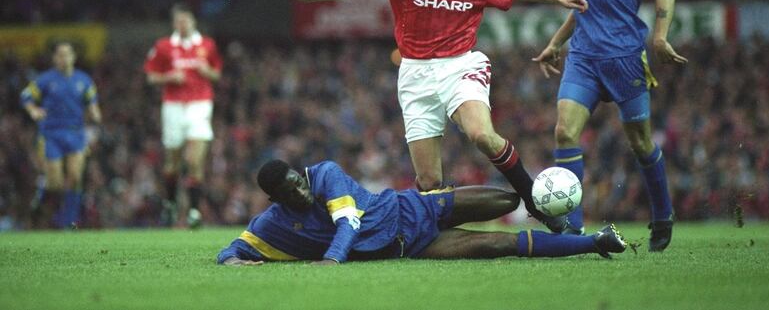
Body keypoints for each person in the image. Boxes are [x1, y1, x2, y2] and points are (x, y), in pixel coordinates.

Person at [278, 0, 588, 232]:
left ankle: (534, 203)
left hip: (462, 63)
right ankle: (443, 237)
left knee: (481, 134)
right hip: (415, 73)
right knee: (428, 180)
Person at [532, 0, 688, 251]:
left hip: (625, 59)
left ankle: (663, 215)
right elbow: (581, 8)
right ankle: (572, 229)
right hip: (583, 59)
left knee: (640, 143)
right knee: (565, 133)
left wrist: (661, 36)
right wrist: (555, 43)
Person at [217, 159, 627, 265]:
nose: (303, 190)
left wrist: (331, 260)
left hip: (413, 209)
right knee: (499, 245)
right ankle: (596, 240)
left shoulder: (324, 174)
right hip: (410, 248)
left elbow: (348, 222)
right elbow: (236, 247)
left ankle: (549, 210)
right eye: (292, 191)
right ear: (277, 199)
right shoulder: (274, 223)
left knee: (511, 201)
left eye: (299, 180)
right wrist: (232, 260)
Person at [144, 3, 222, 228]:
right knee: (173, 163)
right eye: (178, 21)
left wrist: (207, 72)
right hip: (173, 106)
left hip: (200, 104)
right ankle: (170, 203)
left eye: (186, 20)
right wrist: (169, 77)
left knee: (194, 159)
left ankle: (195, 211)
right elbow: (151, 76)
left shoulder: (207, 45)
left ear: (193, 22)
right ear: (174, 23)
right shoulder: (164, 46)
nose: (183, 24)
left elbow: (216, 73)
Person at [20, 42, 102, 228]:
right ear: (55, 58)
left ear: (73, 57)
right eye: (60, 55)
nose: (64, 59)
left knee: (74, 176)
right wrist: (33, 110)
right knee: (54, 183)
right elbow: (26, 96)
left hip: (76, 134)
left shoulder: (84, 80)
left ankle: (68, 222)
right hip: (52, 134)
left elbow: (92, 101)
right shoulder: (45, 80)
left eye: (67, 55)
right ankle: (40, 200)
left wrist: (95, 112)